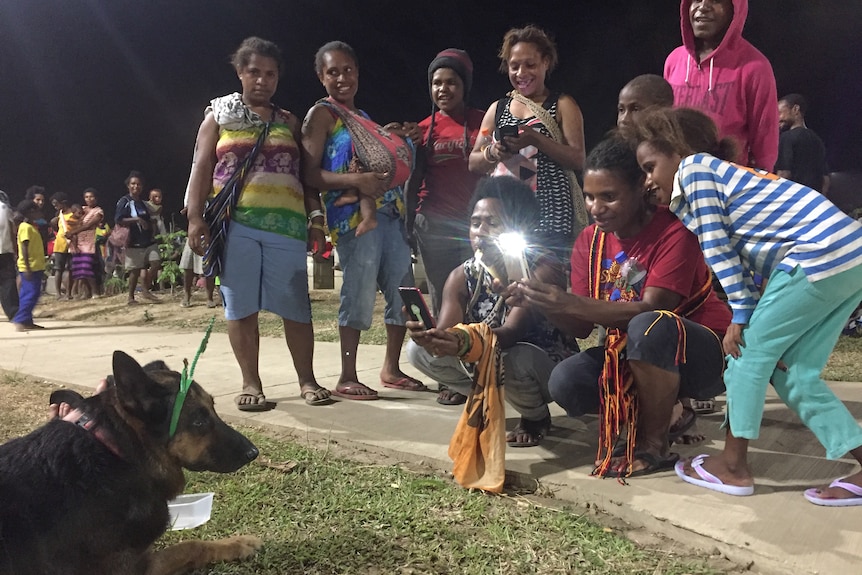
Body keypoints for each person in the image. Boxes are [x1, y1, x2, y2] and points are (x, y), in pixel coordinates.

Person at [632, 109, 862, 503]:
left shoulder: (695, 169)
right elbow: (744, 257)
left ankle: (733, 466)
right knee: (794, 375)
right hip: (847, 258)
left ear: (677, 150)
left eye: (650, 167)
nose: (648, 180)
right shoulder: (724, 178)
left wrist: (740, 315)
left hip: (815, 255)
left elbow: (718, 248)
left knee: (744, 354)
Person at [509, 136, 731, 477]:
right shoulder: (590, 239)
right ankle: (661, 412)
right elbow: (581, 327)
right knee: (565, 382)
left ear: (641, 187)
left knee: (648, 325)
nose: (596, 207)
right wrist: (545, 303)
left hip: (705, 353)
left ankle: (652, 444)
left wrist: (567, 300)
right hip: (634, 353)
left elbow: (654, 309)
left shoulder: (674, 230)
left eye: (609, 196)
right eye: (590, 196)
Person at [185, 36, 331, 410]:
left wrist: (316, 219)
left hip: (287, 227)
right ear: (240, 73)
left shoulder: (287, 120)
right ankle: (252, 383)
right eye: (254, 72)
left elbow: (304, 174)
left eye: (270, 74)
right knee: (241, 307)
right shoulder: (218, 116)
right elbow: (201, 167)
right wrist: (195, 217)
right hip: (237, 227)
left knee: (296, 307)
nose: (262, 81)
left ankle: (307, 380)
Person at [407, 176, 578, 445]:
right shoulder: (461, 275)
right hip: (492, 353)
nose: (480, 231)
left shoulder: (540, 267)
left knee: (510, 356)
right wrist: (432, 338)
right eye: (475, 223)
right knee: (418, 352)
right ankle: (481, 396)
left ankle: (535, 417)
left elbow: (512, 332)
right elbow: (448, 330)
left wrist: (460, 341)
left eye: (492, 223)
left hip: (543, 368)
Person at [301, 40, 424, 400]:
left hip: (390, 214)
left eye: (348, 69)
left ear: (357, 71)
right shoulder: (321, 115)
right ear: (321, 77)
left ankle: (391, 367)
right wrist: (356, 181)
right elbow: (310, 175)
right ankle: (347, 375)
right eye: (332, 71)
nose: (342, 77)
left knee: (404, 290)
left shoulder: (366, 120)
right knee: (357, 291)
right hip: (352, 218)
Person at [469, 25, 588, 264]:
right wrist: (493, 152)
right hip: (505, 216)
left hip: (552, 215)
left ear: (546, 62)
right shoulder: (497, 110)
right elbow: (474, 161)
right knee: (506, 282)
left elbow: (578, 158)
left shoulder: (563, 105)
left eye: (530, 65)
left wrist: (535, 139)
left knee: (546, 281)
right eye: (514, 66)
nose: (521, 72)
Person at [404, 49, 485, 317]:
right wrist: (408, 225)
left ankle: (478, 352)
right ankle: (445, 355)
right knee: (442, 294)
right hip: (434, 225)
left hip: (475, 224)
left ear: (465, 86)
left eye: (451, 82)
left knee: (480, 290)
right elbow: (413, 179)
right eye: (437, 83)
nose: (443, 89)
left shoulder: (483, 122)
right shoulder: (423, 129)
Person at [664, 0, 778, 171]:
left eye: (715, 1)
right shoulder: (674, 60)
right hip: (675, 181)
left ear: (735, 10)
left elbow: (764, 141)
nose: (702, 7)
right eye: (696, 0)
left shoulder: (755, 66)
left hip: (727, 187)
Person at [115, 171, 161, 305]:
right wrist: (136, 219)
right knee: (134, 270)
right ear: (128, 186)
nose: (136, 186)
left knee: (156, 262)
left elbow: (150, 216)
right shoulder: (124, 202)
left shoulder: (142, 203)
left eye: (139, 184)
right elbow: (118, 219)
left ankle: (145, 289)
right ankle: (131, 297)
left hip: (148, 241)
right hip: (133, 241)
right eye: (133, 184)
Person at [776, 94, 830, 194]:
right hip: (812, 201)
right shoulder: (817, 140)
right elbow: (825, 179)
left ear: (795, 109)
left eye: (780, 113)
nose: (778, 118)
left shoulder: (787, 137)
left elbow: (784, 173)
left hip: (793, 199)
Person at [13, 199, 47, 331]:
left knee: (29, 293)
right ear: (31, 212)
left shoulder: (30, 226)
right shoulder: (25, 227)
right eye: (37, 211)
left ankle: (27, 321)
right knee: (31, 294)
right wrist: (27, 267)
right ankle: (20, 320)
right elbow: (24, 247)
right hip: (30, 267)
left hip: (36, 266)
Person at [66, 188, 104, 299]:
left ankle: (95, 292)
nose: (89, 199)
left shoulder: (98, 211)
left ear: (96, 198)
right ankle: (86, 292)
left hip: (88, 242)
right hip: (77, 243)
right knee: (78, 269)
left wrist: (72, 231)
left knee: (86, 267)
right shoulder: (81, 209)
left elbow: (88, 225)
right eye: (86, 197)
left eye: (91, 196)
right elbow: (70, 218)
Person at [179, 206, 216, 309]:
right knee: (187, 266)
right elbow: (184, 211)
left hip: (208, 233)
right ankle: (187, 295)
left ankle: (210, 298)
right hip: (193, 234)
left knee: (208, 267)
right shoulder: (191, 191)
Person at [49, 192, 74, 300]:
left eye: (56, 204)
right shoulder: (58, 215)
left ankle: (69, 293)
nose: (55, 206)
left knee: (71, 269)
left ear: (63, 203)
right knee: (58, 268)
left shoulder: (73, 213)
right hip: (60, 244)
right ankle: (58, 294)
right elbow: (55, 227)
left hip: (72, 243)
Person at [0, 190, 18, 320]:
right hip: (5, 251)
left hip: (6, 251)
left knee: (8, 282)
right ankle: (13, 312)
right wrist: (15, 251)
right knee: (8, 282)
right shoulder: (5, 208)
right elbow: (13, 232)